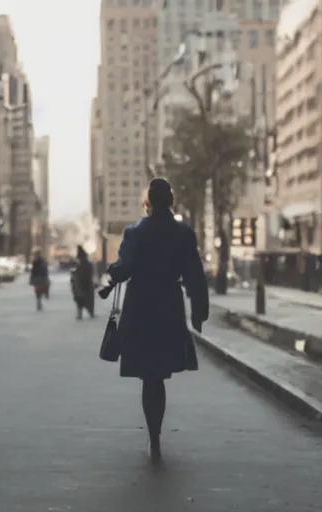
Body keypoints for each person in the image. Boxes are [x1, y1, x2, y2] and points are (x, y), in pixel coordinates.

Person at [105, 178, 208, 464]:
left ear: (147, 201)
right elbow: (194, 275)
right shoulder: (183, 234)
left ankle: (154, 438)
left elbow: (123, 269)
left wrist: (111, 273)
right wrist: (199, 311)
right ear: (171, 200)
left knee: (149, 376)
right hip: (169, 306)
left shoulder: (134, 233)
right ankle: (155, 438)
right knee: (159, 373)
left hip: (140, 307)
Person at [71, 245, 95, 319]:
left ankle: (81, 314)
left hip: (82, 283)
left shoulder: (80, 264)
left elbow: (79, 273)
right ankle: (90, 312)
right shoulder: (86, 263)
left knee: (80, 298)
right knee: (87, 298)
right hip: (86, 283)